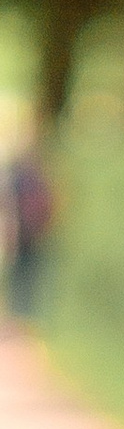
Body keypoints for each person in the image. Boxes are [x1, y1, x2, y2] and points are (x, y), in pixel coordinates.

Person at [4, 129, 55, 325]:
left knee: (18, 275)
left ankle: (17, 317)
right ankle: (27, 318)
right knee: (31, 275)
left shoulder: (15, 176)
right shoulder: (41, 176)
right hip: (37, 234)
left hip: (19, 234)